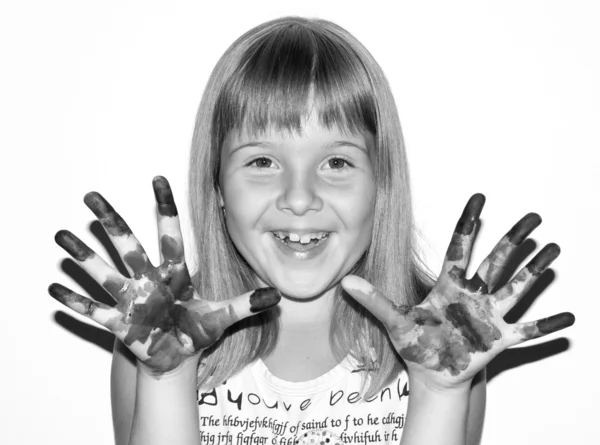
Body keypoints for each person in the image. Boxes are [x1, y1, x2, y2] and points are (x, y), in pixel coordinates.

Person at [48, 16, 575, 445]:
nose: (299, 197)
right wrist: (167, 379)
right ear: (217, 187)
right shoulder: (156, 334)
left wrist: (439, 393)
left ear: (382, 186)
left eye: (338, 163)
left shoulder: (445, 340)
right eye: (261, 161)